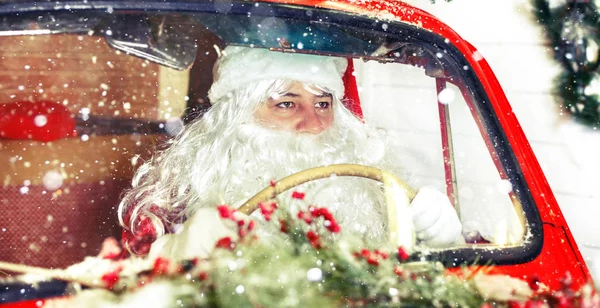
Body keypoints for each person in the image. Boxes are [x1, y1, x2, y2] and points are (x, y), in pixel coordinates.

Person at [118, 46, 464, 261]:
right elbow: (121, 283)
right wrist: (176, 256)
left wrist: (436, 243)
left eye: (323, 103)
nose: (313, 124)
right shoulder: (171, 202)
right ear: (235, 117)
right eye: (286, 104)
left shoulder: (377, 196)